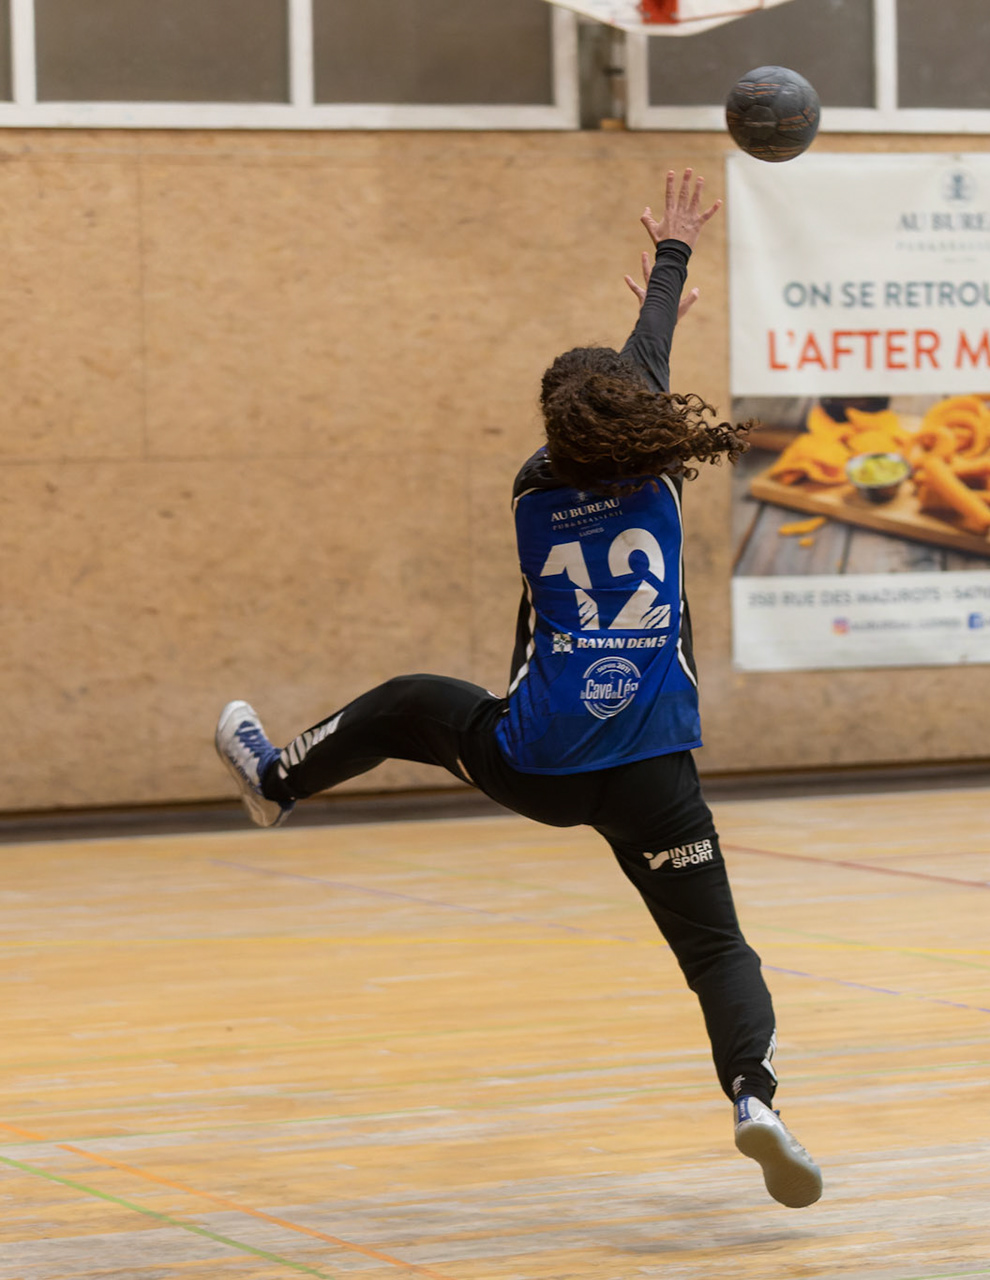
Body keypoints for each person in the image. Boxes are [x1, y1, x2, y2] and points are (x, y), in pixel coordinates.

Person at [211, 170, 823, 1210]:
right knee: (716, 945)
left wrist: (660, 297)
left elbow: (622, 391)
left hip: (534, 758)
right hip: (653, 777)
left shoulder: (536, 485)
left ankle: (276, 779)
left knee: (411, 700)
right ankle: (753, 1095)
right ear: (643, 424)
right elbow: (643, 381)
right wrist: (669, 267)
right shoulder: (666, 472)